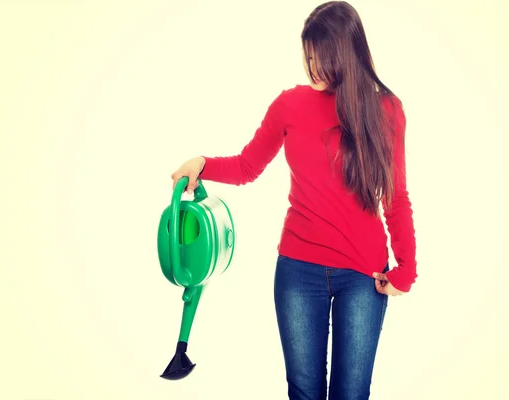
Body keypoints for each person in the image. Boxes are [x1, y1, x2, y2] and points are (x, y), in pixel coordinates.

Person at [171, 1, 417, 398]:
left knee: (351, 394)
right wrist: (202, 164)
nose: (311, 66)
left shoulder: (386, 110)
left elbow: (396, 196)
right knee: (303, 393)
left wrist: (407, 268)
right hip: (298, 270)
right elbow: (247, 166)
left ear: (345, 53)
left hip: (363, 275)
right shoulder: (290, 104)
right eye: (307, 56)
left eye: (319, 56)